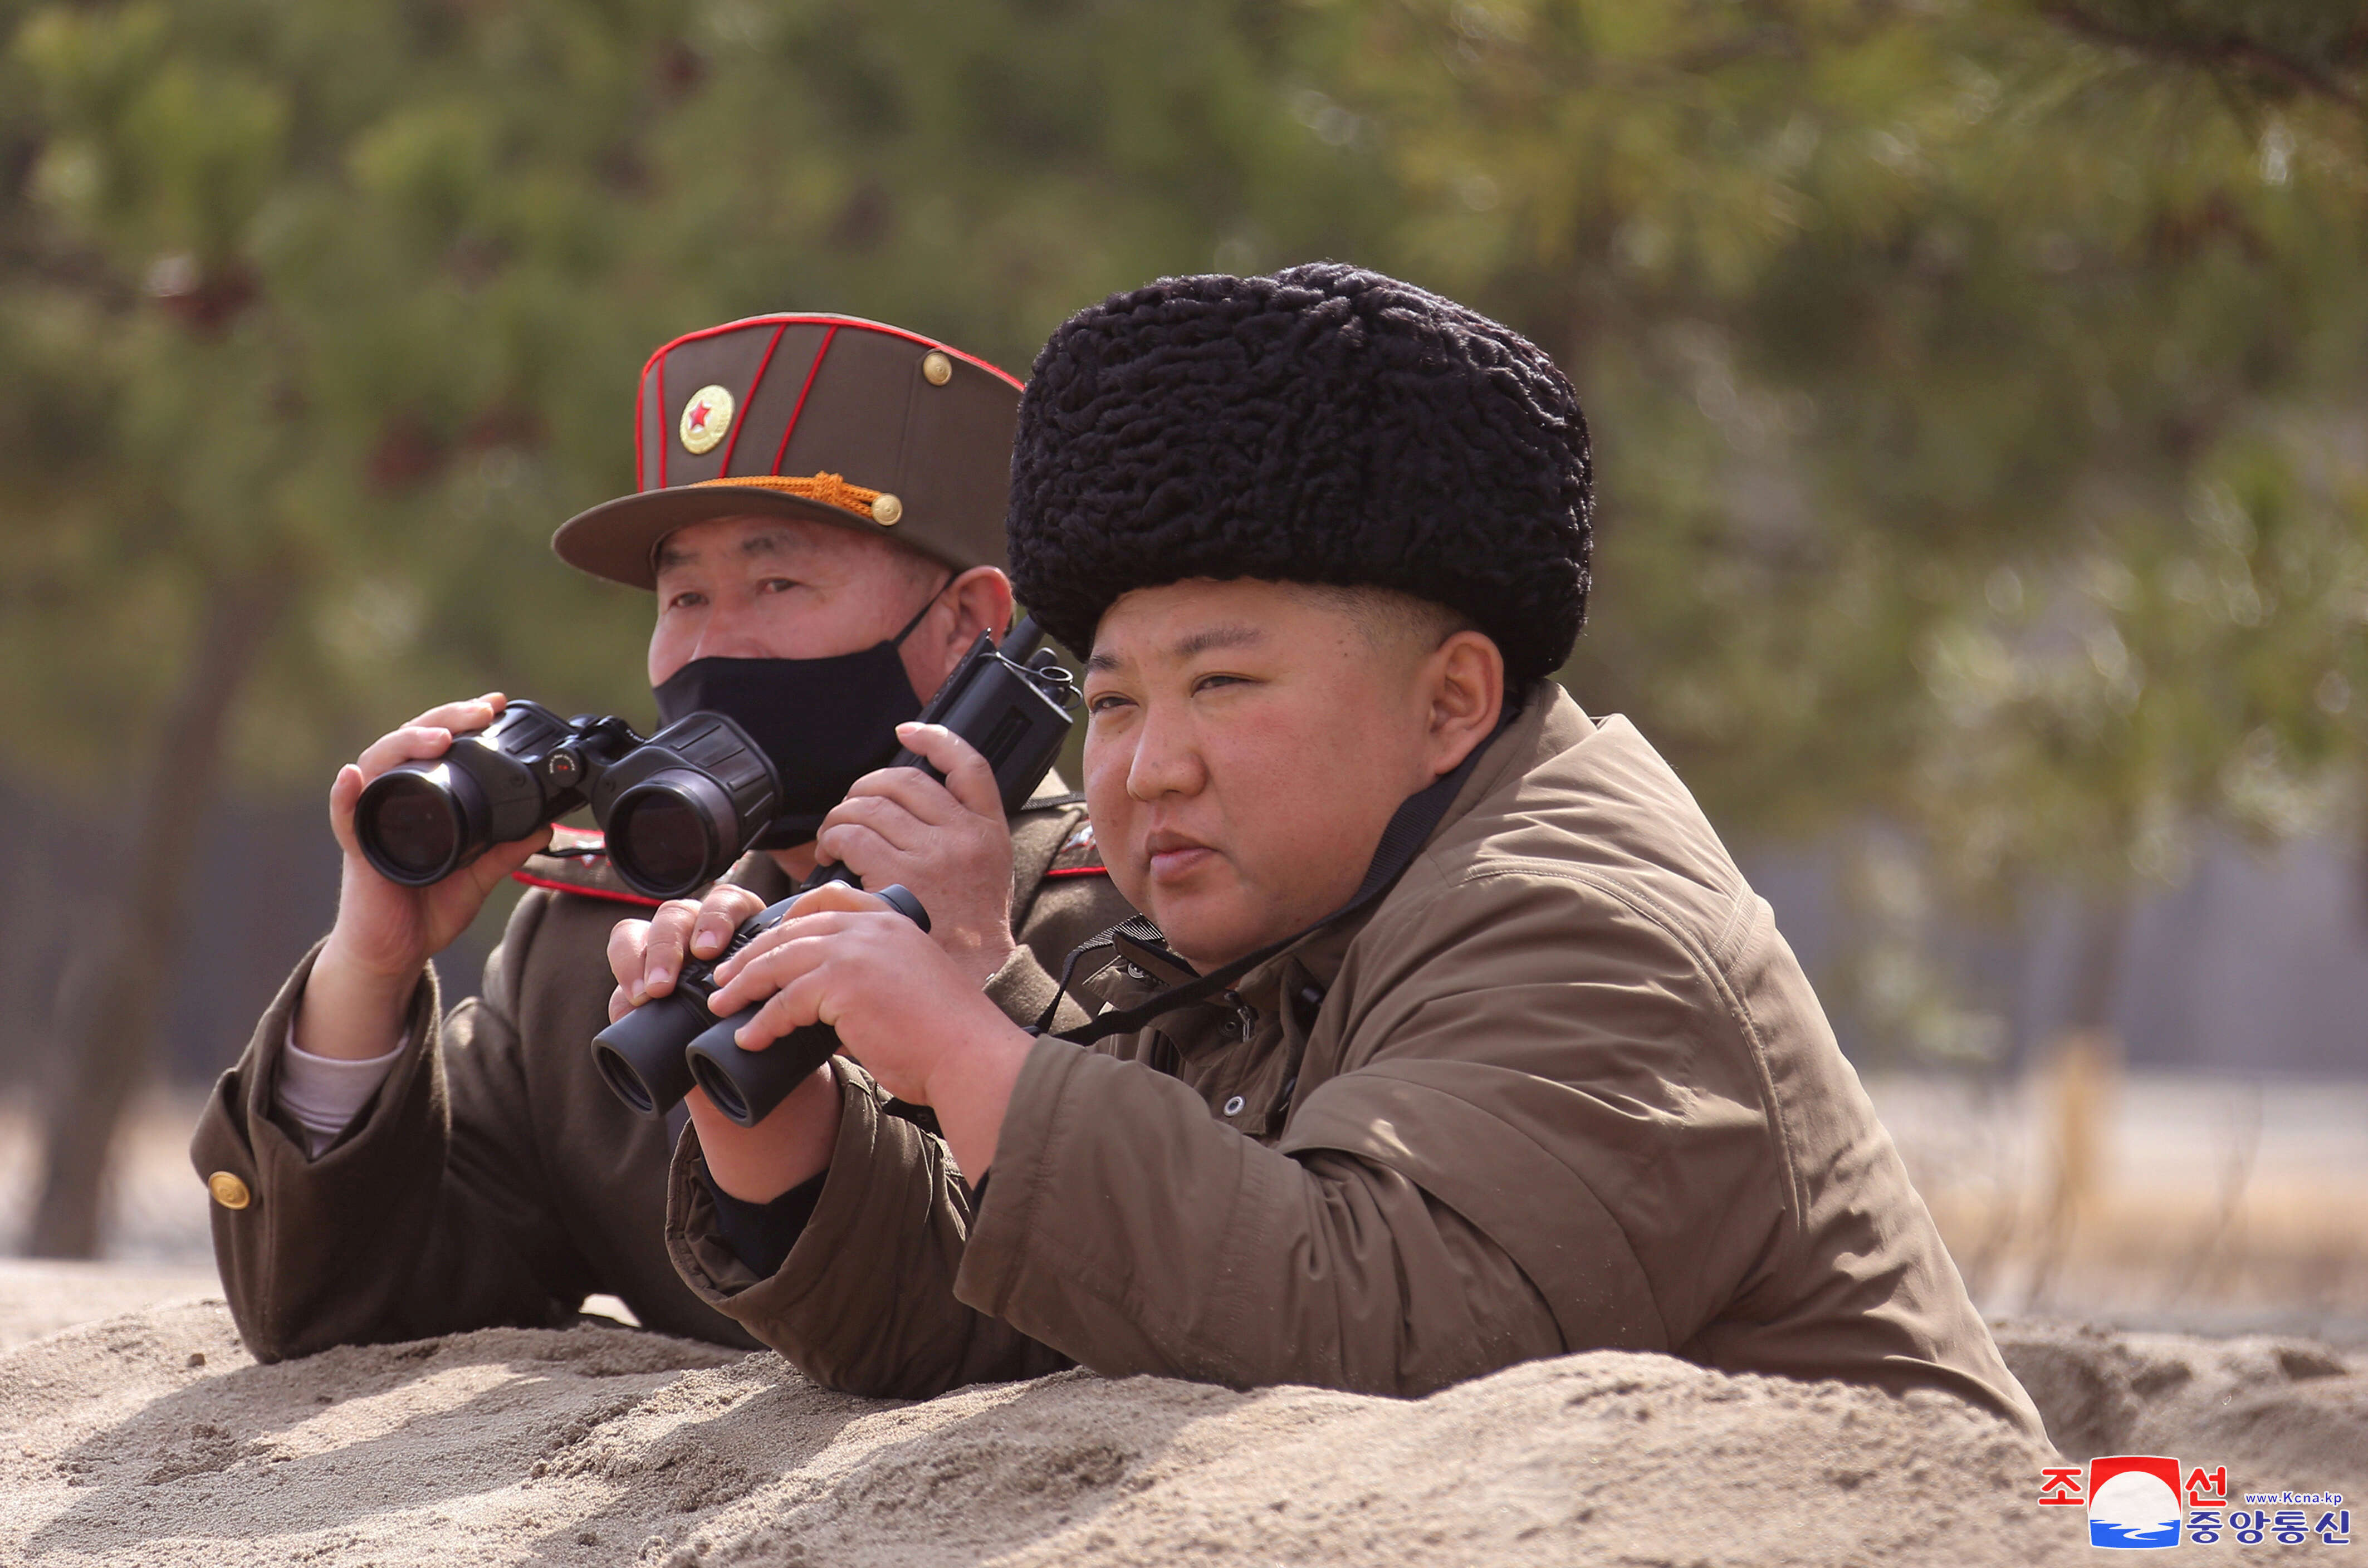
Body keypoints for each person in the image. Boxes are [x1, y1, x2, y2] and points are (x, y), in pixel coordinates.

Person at [625, 266, 2047, 1439]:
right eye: (1111, 699)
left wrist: (970, 1055)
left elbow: (1389, 1332)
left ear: (1450, 703)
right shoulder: (1297, 918)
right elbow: (1040, 1314)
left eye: (1222, 685)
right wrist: (771, 1117)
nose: (1141, 764)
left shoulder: (1580, 925)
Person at [190, 313, 1132, 1363]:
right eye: (683, 594)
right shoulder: (589, 955)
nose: (715, 644)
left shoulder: (1126, 920)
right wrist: (371, 964)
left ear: (968, 625)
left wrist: (977, 975)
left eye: (777, 583)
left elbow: (1155, 1289)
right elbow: (337, 1313)